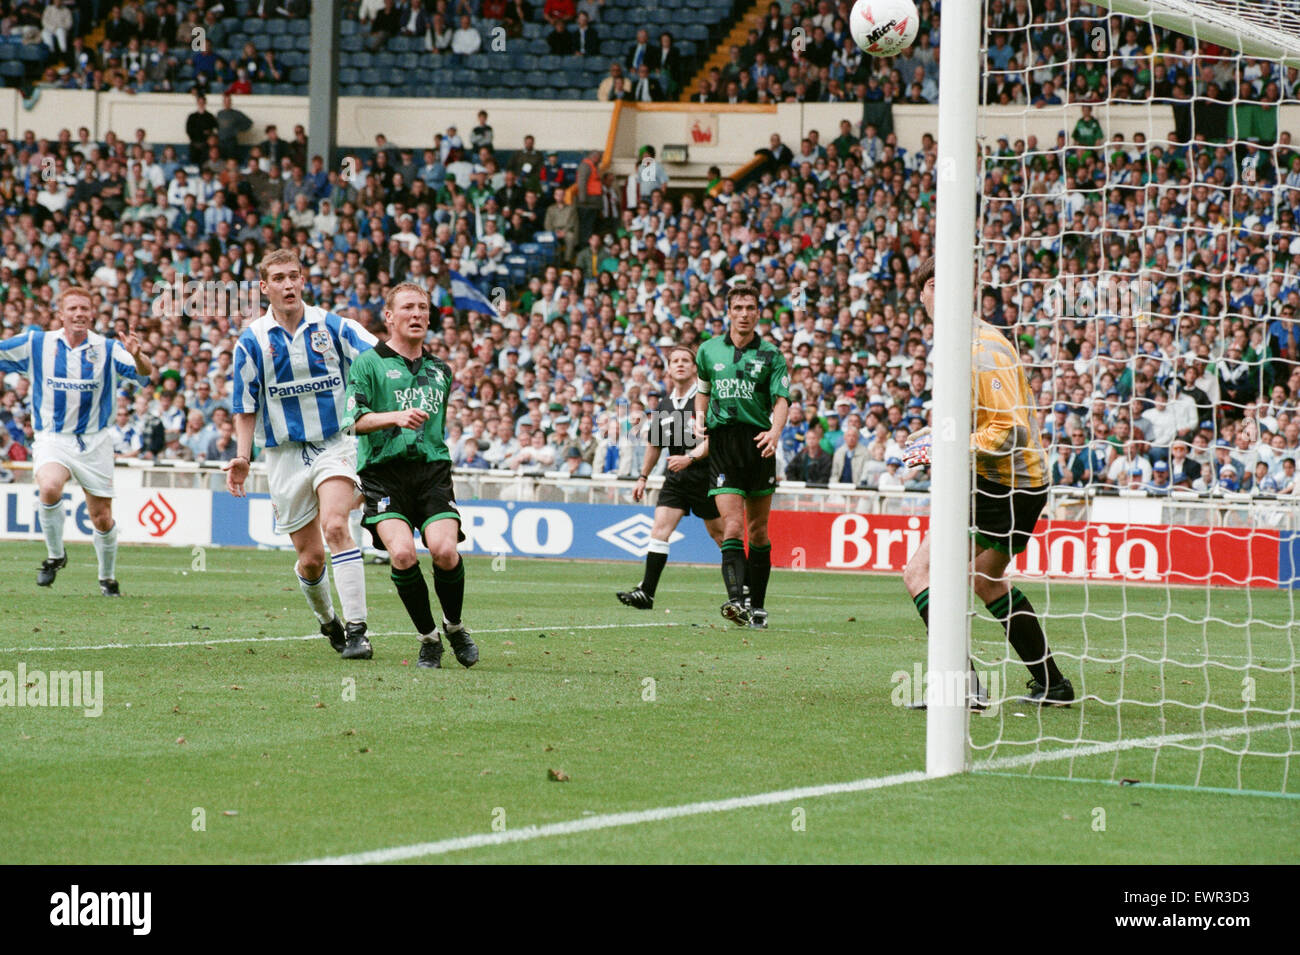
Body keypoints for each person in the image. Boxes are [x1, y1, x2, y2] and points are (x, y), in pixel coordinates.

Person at [901, 257, 1074, 706]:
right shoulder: (960, 344)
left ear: (938, 288)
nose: (925, 300)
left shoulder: (983, 348)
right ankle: (1052, 685)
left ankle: (962, 687)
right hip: (1006, 482)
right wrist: (929, 436)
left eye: (928, 290)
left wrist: (947, 448)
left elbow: (1008, 429)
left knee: (921, 572)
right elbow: (968, 420)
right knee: (984, 580)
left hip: (1008, 485)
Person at [226, 250, 378, 660]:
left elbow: (381, 355)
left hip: (334, 443)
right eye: (279, 278)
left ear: (303, 281)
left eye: (294, 276)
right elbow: (244, 405)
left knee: (335, 525)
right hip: (284, 455)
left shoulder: (332, 326)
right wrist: (243, 457)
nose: (288, 284)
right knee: (311, 561)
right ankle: (329, 620)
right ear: (264, 287)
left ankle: (359, 630)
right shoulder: (251, 341)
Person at [345, 283, 478, 669]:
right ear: (389, 316)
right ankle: (428, 639)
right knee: (402, 554)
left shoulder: (441, 370)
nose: (417, 314)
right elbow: (352, 421)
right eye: (408, 308)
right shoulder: (367, 364)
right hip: (384, 474)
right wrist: (396, 417)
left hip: (431, 471)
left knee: (445, 552)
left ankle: (454, 627)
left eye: (423, 308)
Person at [0, 287, 152, 594]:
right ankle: (56, 555)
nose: (79, 313)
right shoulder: (37, 343)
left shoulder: (108, 348)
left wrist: (137, 353)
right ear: (61, 314)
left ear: (93, 313)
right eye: (72, 309)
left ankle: (107, 578)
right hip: (53, 438)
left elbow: (146, 373)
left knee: (102, 517)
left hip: (95, 441)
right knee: (49, 487)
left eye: (84, 308)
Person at [695, 284, 790, 628]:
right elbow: (702, 392)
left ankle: (758, 606)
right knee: (733, 526)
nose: (745, 314)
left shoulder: (772, 355)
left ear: (758, 312)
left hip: (758, 443)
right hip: (723, 444)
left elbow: (781, 399)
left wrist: (775, 432)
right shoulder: (707, 351)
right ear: (729, 312)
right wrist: (698, 422)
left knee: (758, 531)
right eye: (738, 307)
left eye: (750, 307)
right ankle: (737, 602)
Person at [617, 344, 725, 610]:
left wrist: (691, 458)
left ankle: (742, 590)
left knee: (722, 536)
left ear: (694, 367)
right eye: (674, 360)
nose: (679, 364)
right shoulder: (665, 403)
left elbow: (716, 439)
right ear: (668, 368)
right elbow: (655, 444)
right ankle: (647, 593)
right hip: (675, 478)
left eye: (685, 360)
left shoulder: (705, 399)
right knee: (659, 531)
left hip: (705, 475)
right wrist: (643, 476)